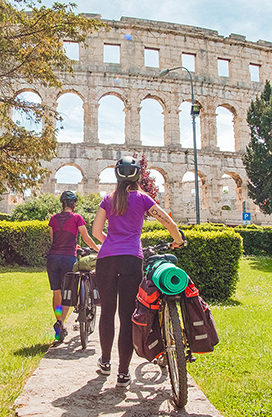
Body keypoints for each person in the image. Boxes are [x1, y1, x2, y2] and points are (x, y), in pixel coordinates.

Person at [91, 156, 184, 387]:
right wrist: (178, 239)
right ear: (138, 176)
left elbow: (95, 231)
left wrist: (110, 243)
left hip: (106, 259)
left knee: (107, 313)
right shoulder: (143, 199)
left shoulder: (108, 199)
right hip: (131, 258)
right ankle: (123, 373)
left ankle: (104, 362)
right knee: (126, 316)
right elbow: (167, 221)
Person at [47, 190, 100, 342]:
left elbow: (54, 240)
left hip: (52, 258)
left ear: (62, 204)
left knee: (56, 292)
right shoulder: (77, 218)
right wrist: (98, 249)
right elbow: (86, 237)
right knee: (68, 293)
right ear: (74, 204)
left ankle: (59, 323)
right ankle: (61, 322)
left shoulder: (53, 218)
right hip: (68, 258)